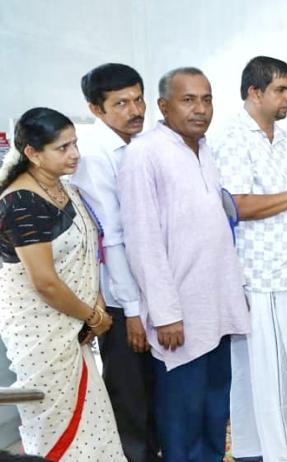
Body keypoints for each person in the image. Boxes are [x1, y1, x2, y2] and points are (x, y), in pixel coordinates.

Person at [119, 67, 249, 462]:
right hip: (179, 315)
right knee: (183, 417)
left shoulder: (203, 148)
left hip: (217, 307)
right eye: (188, 100)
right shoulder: (144, 153)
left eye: (206, 99)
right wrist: (165, 314)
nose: (200, 109)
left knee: (214, 411)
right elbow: (142, 241)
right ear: (163, 106)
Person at [212, 56, 287, 461]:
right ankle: (265, 449)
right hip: (256, 273)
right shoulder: (232, 138)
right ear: (254, 92)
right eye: (281, 89)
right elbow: (238, 205)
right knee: (261, 368)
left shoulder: (284, 139)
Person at [0, 107, 124, 460]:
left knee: (93, 427)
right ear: (32, 153)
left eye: (75, 144)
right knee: (57, 429)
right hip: (41, 335)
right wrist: (93, 316)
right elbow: (45, 282)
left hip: (77, 327)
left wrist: (95, 304)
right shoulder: (20, 203)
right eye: (63, 147)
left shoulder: (67, 190)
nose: (75, 154)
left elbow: (86, 254)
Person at [70, 62, 161, 462]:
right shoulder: (94, 154)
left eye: (138, 99)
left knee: (152, 393)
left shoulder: (140, 145)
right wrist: (133, 310)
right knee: (130, 397)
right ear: (96, 109)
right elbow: (113, 237)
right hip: (119, 300)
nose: (135, 110)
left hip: (146, 289)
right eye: (121, 103)